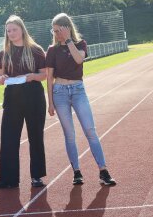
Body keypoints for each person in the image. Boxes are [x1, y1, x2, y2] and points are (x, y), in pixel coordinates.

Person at [45, 13, 116, 186]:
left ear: (67, 28)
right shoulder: (52, 50)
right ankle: (76, 172)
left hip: (78, 90)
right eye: (54, 31)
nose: (56, 34)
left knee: (90, 130)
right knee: (69, 134)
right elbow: (49, 78)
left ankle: (103, 170)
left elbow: (78, 59)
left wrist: (69, 41)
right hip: (59, 92)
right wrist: (50, 102)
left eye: (59, 30)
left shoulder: (80, 44)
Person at [0, 15, 47, 190]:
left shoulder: (36, 50)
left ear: (22, 29)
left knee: (35, 136)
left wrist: (32, 76)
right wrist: (2, 78)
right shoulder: (3, 53)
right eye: (8, 30)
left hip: (33, 95)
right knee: (9, 138)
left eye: (14, 29)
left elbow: (44, 74)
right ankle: (8, 179)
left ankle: (36, 176)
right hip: (12, 96)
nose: (11, 33)